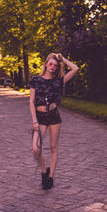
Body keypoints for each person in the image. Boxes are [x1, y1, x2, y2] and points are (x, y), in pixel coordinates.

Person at [29, 52, 79, 190]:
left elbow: (75, 69)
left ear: (58, 67)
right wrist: (34, 121)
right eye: (50, 64)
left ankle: (50, 177)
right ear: (45, 64)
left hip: (54, 116)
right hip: (40, 117)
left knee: (53, 147)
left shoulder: (59, 80)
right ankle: (44, 172)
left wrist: (63, 59)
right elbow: (31, 102)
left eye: (55, 65)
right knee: (35, 148)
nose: (52, 66)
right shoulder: (35, 80)